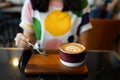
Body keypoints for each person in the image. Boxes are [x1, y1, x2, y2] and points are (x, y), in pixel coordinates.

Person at [14, 0, 92, 51]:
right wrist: (24, 42)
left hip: (71, 61)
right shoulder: (30, 3)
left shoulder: (82, 3)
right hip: (40, 60)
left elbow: (83, 45)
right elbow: (30, 38)